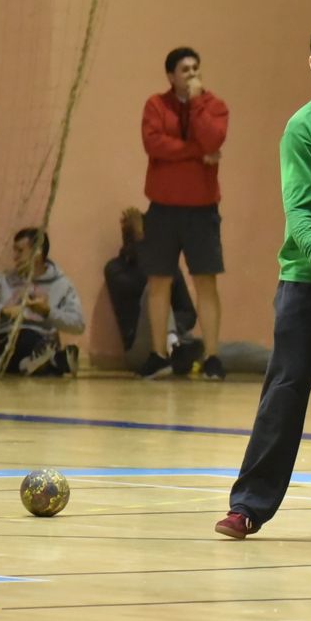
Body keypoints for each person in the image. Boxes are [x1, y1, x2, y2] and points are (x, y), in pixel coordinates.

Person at [214, 19, 311, 541]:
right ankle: (250, 505)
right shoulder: (304, 127)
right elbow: (298, 211)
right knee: (285, 392)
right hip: (309, 278)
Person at [138, 45, 229, 380]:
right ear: (170, 76)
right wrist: (196, 152)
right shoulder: (155, 105)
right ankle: (158, 353)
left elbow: (213, 139)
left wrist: (195, 102)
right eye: (185, 69)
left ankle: (212, 356)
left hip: (202, 210)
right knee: (159, 280)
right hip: (163, 208)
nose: (191, 74)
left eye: (195, 68)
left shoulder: (214, 106)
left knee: (206, 280)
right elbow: (154, 144)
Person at [0, 228, 83, 376]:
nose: (14, 257)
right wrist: (3, 310)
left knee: (34, 339)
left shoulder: (62, 284)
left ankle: (39, 362)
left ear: (37, 253)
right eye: (14, 250)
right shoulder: (3, 279)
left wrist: (47, 311)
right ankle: (55, 360)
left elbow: (78, 324)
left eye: (20, 251)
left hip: (42, 339)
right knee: (22, 335)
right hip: (5, 341)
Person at [104, 207, 198, 367]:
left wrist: (172, 327)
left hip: (176, 337)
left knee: (217, 351)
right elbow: (145, 285)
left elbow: (189, 314)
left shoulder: (169, 268)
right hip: (139, 348)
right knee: (157, 288)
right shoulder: (115, 269)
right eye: (132, 236)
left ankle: (174, 346)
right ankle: (173, 347)